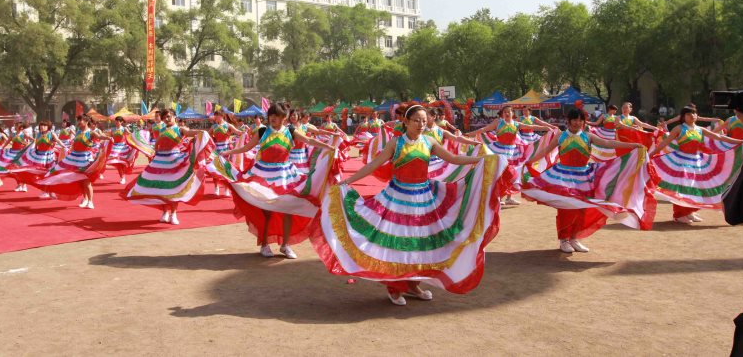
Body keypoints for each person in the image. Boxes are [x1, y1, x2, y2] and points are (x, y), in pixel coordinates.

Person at [310, 105, 511, 306]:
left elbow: (454, 158)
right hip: (396, 199)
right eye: (417, 120)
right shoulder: (395, 143)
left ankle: (413, 285)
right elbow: (373, 165)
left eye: (424, 121)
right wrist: (347, 181)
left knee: (420, 245)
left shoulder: (429, 141)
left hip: (423, 199)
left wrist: (483, 160)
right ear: (406, 121)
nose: (421, 124)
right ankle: (395, 287)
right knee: (397, 245)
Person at [208, 103, 339, 259]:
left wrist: (329, 147)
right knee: (266, 211)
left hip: (286, 174)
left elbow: (309, 141)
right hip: (263, 174)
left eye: (276, 116)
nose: (273, 118)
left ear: (284, 118)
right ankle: (264, 244)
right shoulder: (263, 131)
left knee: (288, 209)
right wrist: (227, 152)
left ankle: (285, 245)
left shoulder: (290, 131)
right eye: (271, 115)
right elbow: (246, 148)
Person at [521, 108, 650, 253]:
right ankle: (563, 240)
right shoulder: (561, 136)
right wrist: (530, 162)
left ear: (583, 122)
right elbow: (546, 151)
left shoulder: (588, 136)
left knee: (582, 209)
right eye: (574, 119)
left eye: (580, 120)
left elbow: (607, 143)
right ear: (569, 121)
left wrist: (632, 145)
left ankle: (574, 238)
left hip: (584, 177)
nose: (577, 123)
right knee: (565, 208)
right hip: (562, 176)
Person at [649, 105, 743, 224]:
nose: (692, 116)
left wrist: (740, 141)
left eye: (694, 114)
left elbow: (719, 137)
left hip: (697, 160)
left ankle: (689, 212)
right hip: (681, 161)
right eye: (689, 114)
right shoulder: (679, 128)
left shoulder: (700, 129)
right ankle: (679, 214)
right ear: (683, 117)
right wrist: (651, 154)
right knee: (684, 187)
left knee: (697, 187)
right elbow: (664, 143)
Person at [124, 109, 212, 225]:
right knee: (161, 189)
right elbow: (157, 142)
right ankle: (165, 212)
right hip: (159, 161)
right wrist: (154, 152)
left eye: (168, 116)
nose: (166, 119)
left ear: (174, 117)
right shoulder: (162, 129)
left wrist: (201, 132)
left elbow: (190, 132)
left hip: (174, 162)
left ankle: (173, 214)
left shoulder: (180, 129)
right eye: (164, 117)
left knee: (173, 189)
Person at [465, 105, 556, 205]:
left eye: (509, 112)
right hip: (499, 150)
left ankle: (509, 197)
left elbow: (532, 126)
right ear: (503, 114)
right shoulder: (498, 122)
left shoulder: (516, 124)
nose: (507, 113)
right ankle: (498, 195)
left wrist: (548, 128)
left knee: (513, 174)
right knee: (499, 173)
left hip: (513, 152)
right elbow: (484, 129)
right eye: (505, 112)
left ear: (513, 113)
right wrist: (471, 133)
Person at [36, 115, 112, 209]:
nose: (78, 123)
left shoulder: (91, 133)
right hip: (74, 158)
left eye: (80, 121)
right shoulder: (78, 132)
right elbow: (74, 144)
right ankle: (84, 199)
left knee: (86, 181)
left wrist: (108, 138)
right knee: (76, 179)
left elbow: (100, 136)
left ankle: (90, 201)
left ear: (86, 122)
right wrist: (69, 151)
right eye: (78, 121)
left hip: (84, 159)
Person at [107, 116, 136, 185]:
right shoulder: (113, 129)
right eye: (115, 121)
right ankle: (122, 177)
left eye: (118, 121)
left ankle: (123, 175)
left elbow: (130, 135)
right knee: (118, 163)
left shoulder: (124, 129)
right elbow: (110, 137)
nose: (116, 123)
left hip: (123, 148)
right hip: (114, 148)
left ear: (121, 122)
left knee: (122, 163)